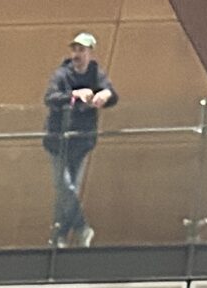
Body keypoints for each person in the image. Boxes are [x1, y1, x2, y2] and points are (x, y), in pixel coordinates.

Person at [43, 31, 117, 248]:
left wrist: (106, 95)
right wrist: (74, 95)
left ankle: (59, 235)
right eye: (74, 49)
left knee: (67, 191)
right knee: (63, 185)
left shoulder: (96, 74)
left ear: (89, 52)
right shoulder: (61, 74)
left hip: (82, 141)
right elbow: (50, 98)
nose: (77, 54)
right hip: (58, 141)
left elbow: (112, 95)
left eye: (81, 50)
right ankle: (82, 228)